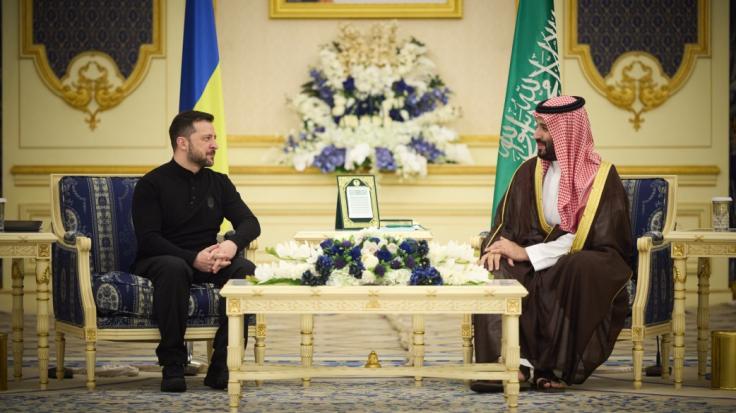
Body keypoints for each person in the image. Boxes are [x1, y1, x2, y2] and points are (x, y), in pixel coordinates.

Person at [472, 96, 632, 393]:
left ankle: (555, 368)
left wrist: (528, 253)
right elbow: (506, 223)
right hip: (536, 260)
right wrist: (496, 249)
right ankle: (508, 364)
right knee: (496, 267)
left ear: (567, 132)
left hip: (588, 259)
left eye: (544, 128)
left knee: (575, 267)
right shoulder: (528, 172)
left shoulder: (601, 178)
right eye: (537, 126)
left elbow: (597, 237)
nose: (536, 134)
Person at [132, 110, 260, 392]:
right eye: (207, 138)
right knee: (174, 268)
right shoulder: (151, 184)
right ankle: (173, 365)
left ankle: (222, 366)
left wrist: (230, 245)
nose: (215, 144)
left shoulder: (219, 182)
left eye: (214, 138)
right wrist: (192, 258)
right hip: (162, 260)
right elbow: (149, 239)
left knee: (244, 269)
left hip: (209, 261)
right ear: (183, 143)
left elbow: (251, 223)